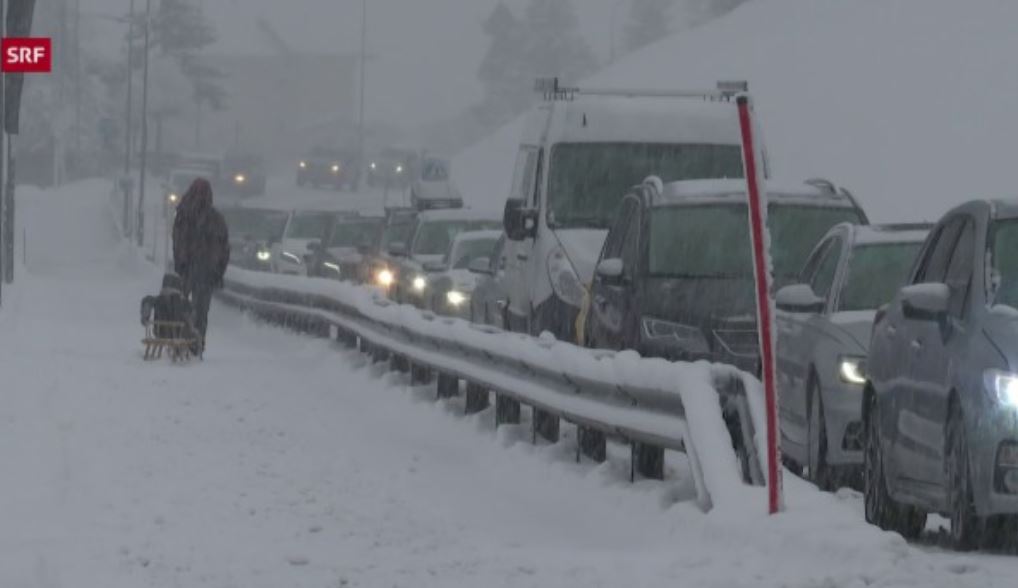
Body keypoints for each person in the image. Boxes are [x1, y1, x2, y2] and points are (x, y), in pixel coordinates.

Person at [172, 178, 230, 353]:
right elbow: (224, 248)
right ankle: (196, 344)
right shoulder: (215, 219)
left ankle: (180, 342)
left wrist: (180, 262)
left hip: (188, 268)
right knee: (201, 311)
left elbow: (177, 241)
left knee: (181, 307)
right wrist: (219, 270)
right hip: (205, 270)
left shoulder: (183, 214)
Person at [140, 272, 196, 342]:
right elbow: (192, 312)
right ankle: (190, 346)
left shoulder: (158, 300)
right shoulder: (183, 302)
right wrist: (191, 326)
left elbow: (147, 300)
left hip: (160, 332)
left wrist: (145, 315)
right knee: (189, 328)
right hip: (178, 333)